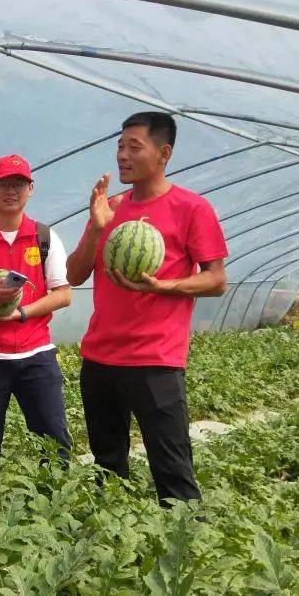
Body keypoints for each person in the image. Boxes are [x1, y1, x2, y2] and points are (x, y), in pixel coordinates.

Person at [65, 111, 228, 505]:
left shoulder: (192, 208)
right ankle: (110, 545)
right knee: (107, 466)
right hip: (100, 356)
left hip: (156, 360)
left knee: (172, 469)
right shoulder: (111, 208)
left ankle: (183, 547)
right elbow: (73, 274)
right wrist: (98, 228)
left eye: (133, 147)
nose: (122, 155)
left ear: (164, 153)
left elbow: (216, 279)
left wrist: (167, 286)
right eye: (120, 146)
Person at [0, 154, 73, 459]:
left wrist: (21, 313)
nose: (11, 190)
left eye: (19, 183)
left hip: (36, 355)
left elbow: (63, 294)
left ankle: (54, 496)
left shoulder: (45, 237)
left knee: (54, 440)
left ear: (31, 188)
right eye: (3, 183)